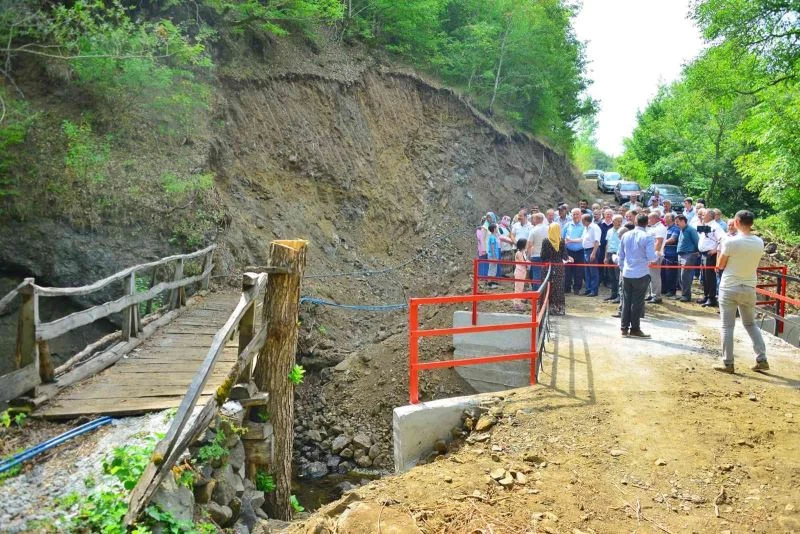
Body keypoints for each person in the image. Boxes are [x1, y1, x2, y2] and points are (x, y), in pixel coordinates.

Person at [714, 210, 768, 373]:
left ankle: (728, 363)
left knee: (727, 326)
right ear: (751, 223)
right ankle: (762, 357)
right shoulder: (759, 242)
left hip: (729, 286)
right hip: (749, 286)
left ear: (736, 222)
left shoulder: (731, 242)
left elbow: (720, 265)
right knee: (750, 324)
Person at [617, 213, 657, 337]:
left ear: (635, 221)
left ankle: (624, 328)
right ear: (647, 223)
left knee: (626, 301)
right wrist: (658, 254)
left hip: (627, 273)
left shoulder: (626, 235)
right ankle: (635, 329)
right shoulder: (648, 236)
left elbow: (620, 255)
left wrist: (623, 268)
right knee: (637, 302)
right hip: (641, 273)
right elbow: (652, 258)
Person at [540, 222, 573, 315]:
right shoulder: (562, 241)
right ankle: (559, 308)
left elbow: (542, 255)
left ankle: (546, 308)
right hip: (559, 267)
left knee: (547, 287)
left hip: (548, 267)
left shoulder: (545, 241)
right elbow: (565, 256)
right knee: (558, 288)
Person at [697, 209, 722, 307]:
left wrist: (715, 250)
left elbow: (722, 239)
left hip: (710, 255)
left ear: (710, 216)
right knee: (704, 276)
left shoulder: (715, 226)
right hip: (703, 254)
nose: (702, 216)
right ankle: (706, 296)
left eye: (704, 215)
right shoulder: (707, 225)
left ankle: (712, 298)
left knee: (710, 277)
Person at [675, 214, 700, 302]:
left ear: (682, 221)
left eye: (677, 222)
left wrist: (697, 252)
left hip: (689, 255)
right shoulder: (681, 230)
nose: (676, 224)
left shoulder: (691, 230)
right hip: (681, 255)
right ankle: (683, 294)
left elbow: (697, 242)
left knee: (685, 276)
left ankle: (686, 295)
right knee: (680, 276)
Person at [562, 208, 585, 295]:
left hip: (580, 251)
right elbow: (562, 238)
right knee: (567, 271)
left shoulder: (584, 226)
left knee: (579, 271)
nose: (575, 216)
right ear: (571, 215)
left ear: (581, 215)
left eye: (577, 214)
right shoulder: (567, 225)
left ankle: (577, 288)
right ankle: (567, 288)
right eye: (573, 214)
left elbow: (583, 239)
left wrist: (570, 240)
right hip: (568, 251)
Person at [646, 212, 666, 304]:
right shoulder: (653, 228)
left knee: (655, 276)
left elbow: (659, 242)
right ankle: (651, 294)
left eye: (649, 219)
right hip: (650, 255)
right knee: (650, 276)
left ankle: (656, 296)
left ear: (654, 218)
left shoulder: (660, 228)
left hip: (656, 255)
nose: (648, 220)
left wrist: (653, 257)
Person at [603, 214, 623, 302]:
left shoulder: (623, 231)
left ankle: (619, 295)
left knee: (618, 276)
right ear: (613, 221)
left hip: (618, 254)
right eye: (617, 221)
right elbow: (607, 244)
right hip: (610, 254)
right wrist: (605, 257)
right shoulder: (609, 231)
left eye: (620, 221)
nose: (619, 223)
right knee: (611, 276)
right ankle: (613, 294)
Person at [581, 213, 601, 296]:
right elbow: (582, 239)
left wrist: (593, 253)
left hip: (592, 250)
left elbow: (597, 241)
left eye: (582, 220)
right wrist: (570, 240)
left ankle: (594, 290)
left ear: (585, 220)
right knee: (587, 271)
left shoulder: (594, 227)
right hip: (586, 251)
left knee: (593, 271)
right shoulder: (586, 228)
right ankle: (588, 289)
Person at [527, 213, 548, 290]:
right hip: (546, 255)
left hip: (535, 255)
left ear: (536, 220)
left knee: (536, 274)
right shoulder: (548, 229)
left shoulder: (533, 230)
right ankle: (544, 292)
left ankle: (536, 292)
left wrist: (528, 256)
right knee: (545, 274)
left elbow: (529, 244)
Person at [661, 213, 680, 297]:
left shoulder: (676, 229)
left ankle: (671, 290)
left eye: (666, 217)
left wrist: (661, 243)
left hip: (672, 254)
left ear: (671, 219)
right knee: (663, 273)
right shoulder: (665, 228)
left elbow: (673, 239)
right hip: (664, 254)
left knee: (671, 273)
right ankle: (664, 289)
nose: (664, 218)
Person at [598, 209, 614, 288]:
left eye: (610, 214)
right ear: (604, 215)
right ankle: (600, 279)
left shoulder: (614, 224)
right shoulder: (599, 224)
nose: (608, 216)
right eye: (607, 214)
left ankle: (608, 281)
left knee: (609, 264)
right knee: (600, 263)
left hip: (610, 247)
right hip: (600, 247)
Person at [513, 239, 529, 311]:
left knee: (521, 287)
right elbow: (523, 262)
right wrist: (528, 262)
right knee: (518, 288)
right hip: (519, 271)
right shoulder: (519, 253)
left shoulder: (523, 252)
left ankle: (518, 302)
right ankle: (516, 304)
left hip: (523, 271)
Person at [486, 223, 501, 288]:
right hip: (492, 256)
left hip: (494, 256)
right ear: (494, 229)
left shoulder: (493, 236)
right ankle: (489, 283)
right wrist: (494, 257)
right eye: (496, 228)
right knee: (491, 269)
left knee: (494, 268)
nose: (497, 229)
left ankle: (492, 282)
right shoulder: (492, 237)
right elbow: (492, 247)